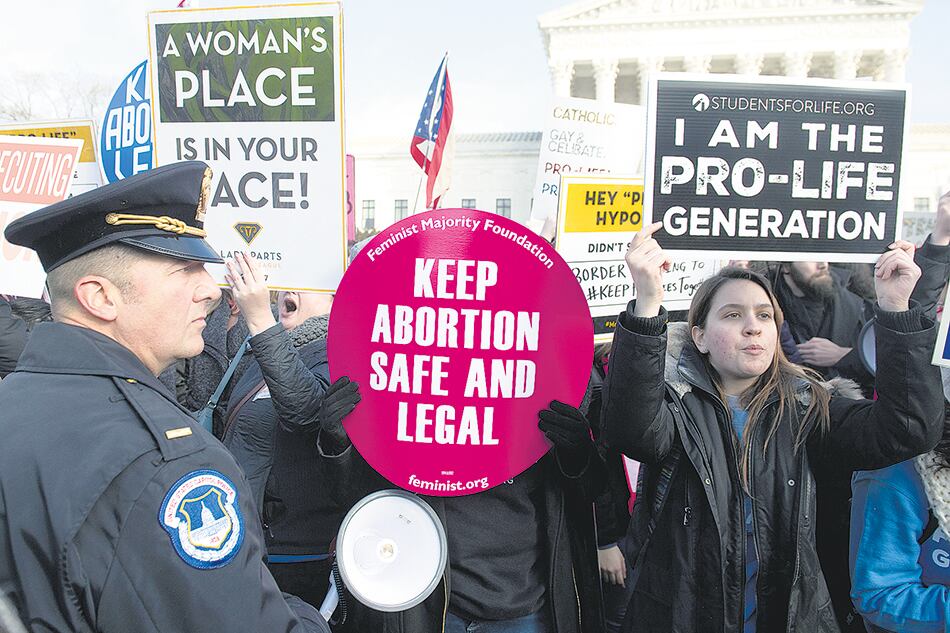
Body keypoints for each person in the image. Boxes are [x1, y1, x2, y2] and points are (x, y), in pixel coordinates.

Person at [0, 161, 330, 633]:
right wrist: (307, 615)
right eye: (185, 269)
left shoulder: (14, 400)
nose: (210, 289)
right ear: (100, 297)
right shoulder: (166, 462)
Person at [602, 222, 944, 632]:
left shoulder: (810, 410)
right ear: (700, 337)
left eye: (764, 315)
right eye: (733, 315)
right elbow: (632, 431)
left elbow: (907, 430)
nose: (753, 326)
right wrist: (647, 301)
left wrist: (895, 307)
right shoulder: (675, 410)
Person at [314, 379, 606, 633]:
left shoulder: (542, 391)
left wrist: (577, 452)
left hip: (524, 607)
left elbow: (592, 493)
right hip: (433, 606)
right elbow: (357, 499)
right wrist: (338, 442)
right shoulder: (407, 399)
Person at [221, 253, 345, 610]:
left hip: (293, 556)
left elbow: (305, 413)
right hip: (246, 539)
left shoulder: (340, 349)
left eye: (303, 281)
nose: (288, 289)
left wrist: (260, 320)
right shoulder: (283, 345)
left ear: (336, 299)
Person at [773, 259, 873, 392]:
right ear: (786, 266)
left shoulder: (860, 307)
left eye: (825, 256)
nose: (823, 265)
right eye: (811, 258)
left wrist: (843, 355)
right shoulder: (767, 307)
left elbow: (887, 364)